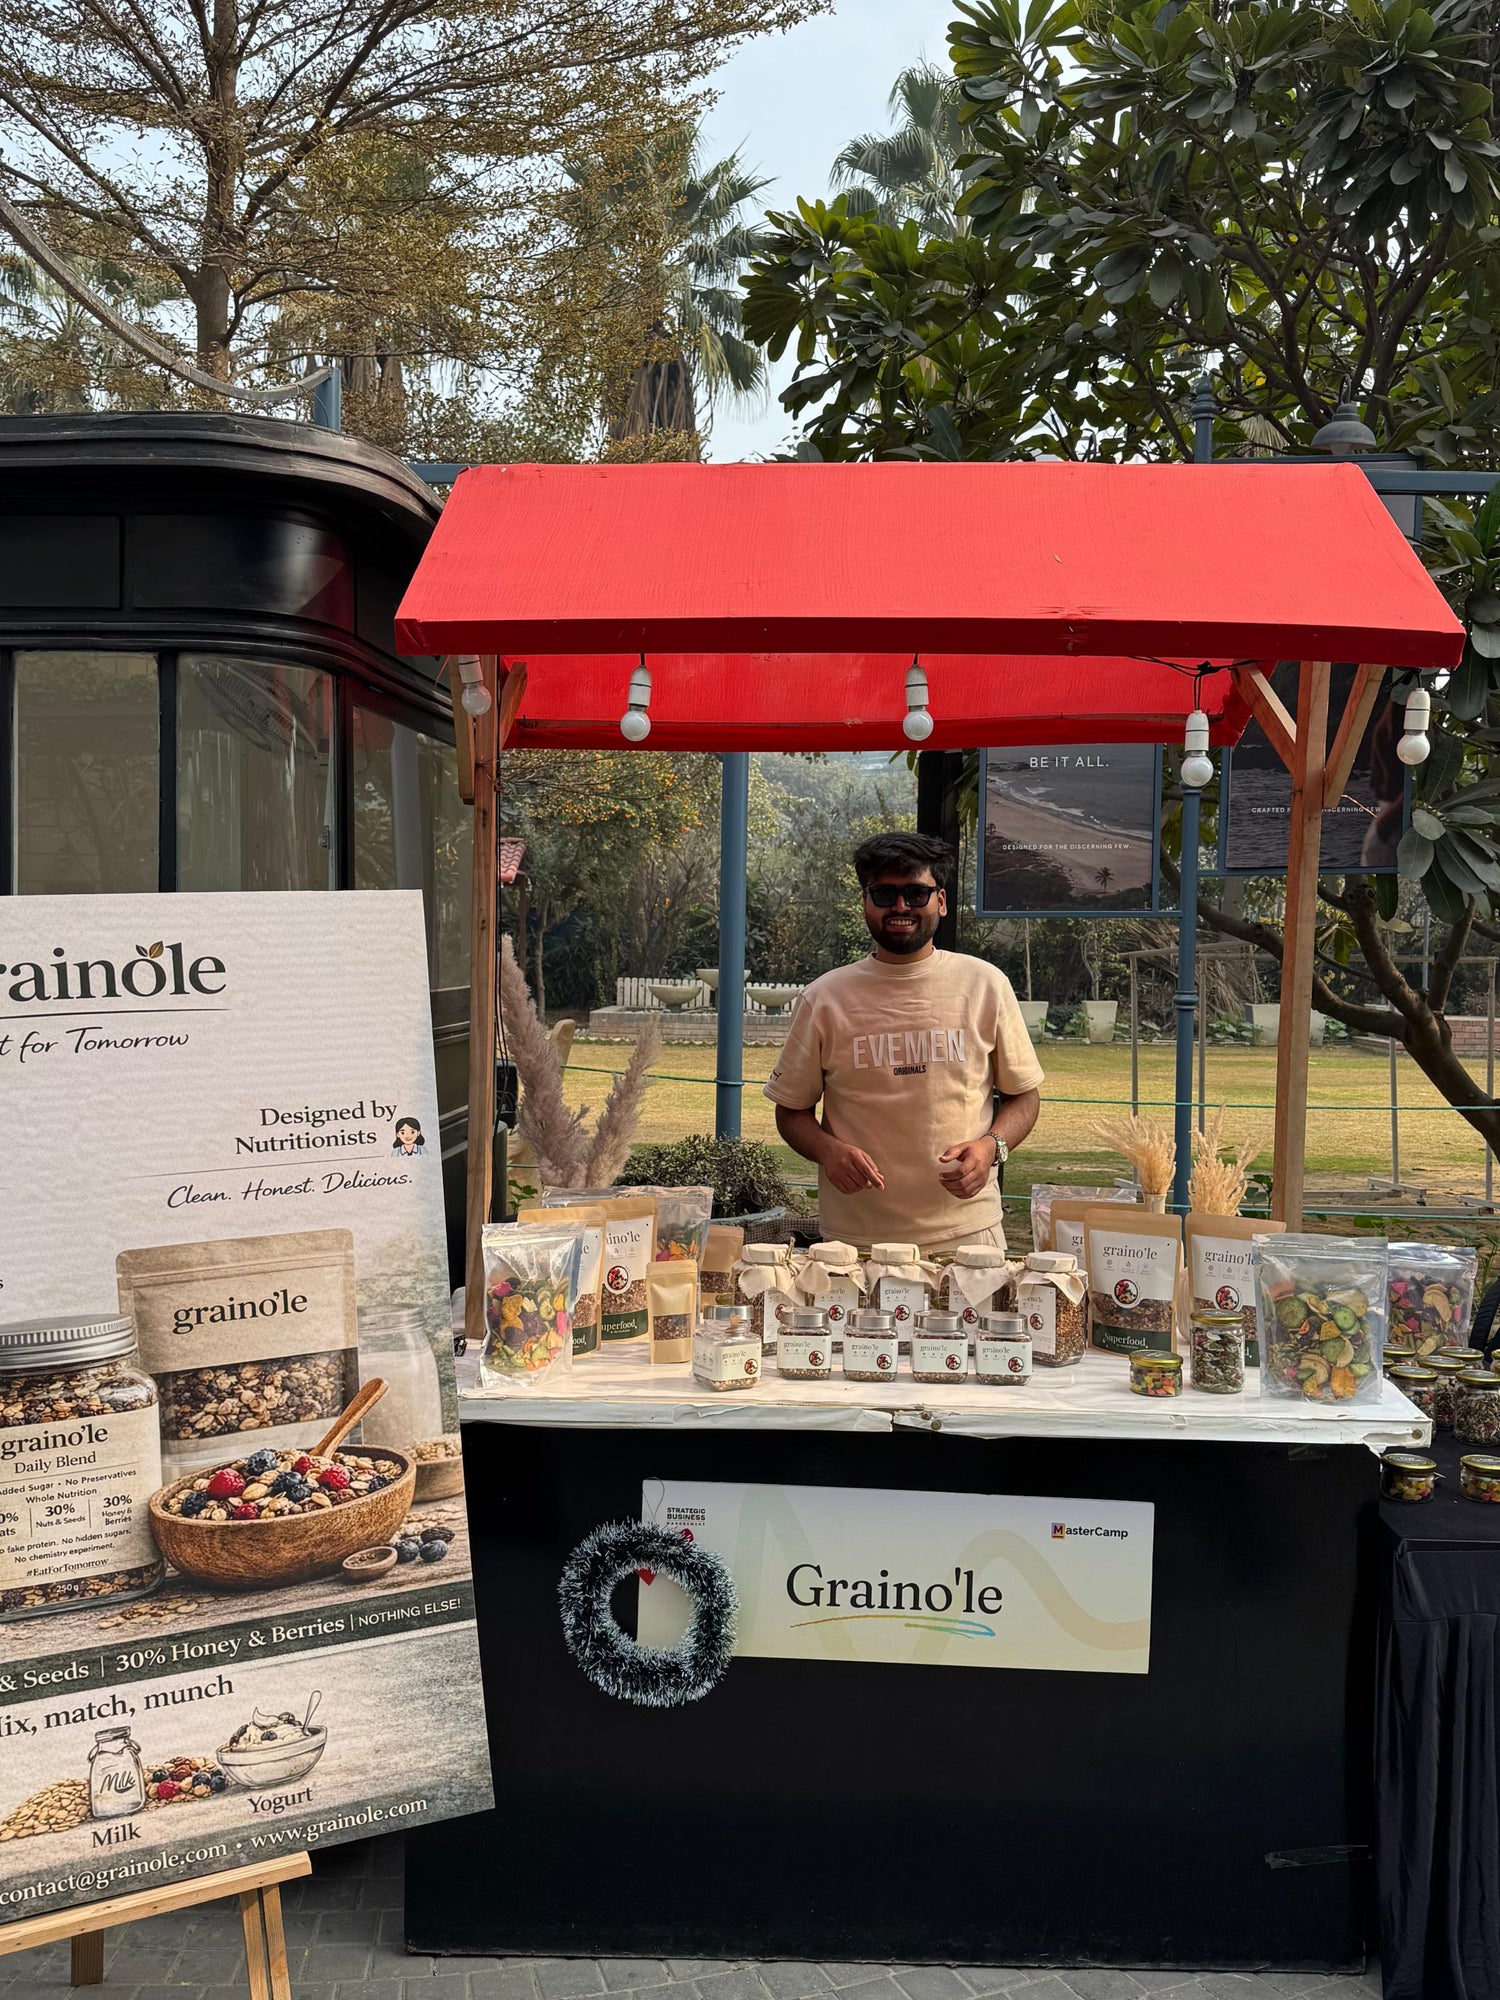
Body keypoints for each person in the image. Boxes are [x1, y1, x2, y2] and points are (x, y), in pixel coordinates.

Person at [765, 831, 1042, 1255]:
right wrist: (828, 1151)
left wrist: (992, 1147)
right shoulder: (824, 998)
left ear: (941, 902)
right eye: (884, 893)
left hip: (967, 1236)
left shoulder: (985, 985)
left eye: (916, 893)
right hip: (853, 1244)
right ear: (865, 902)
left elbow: (1025, 1096)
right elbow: (791, 1110)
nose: (900, 907)